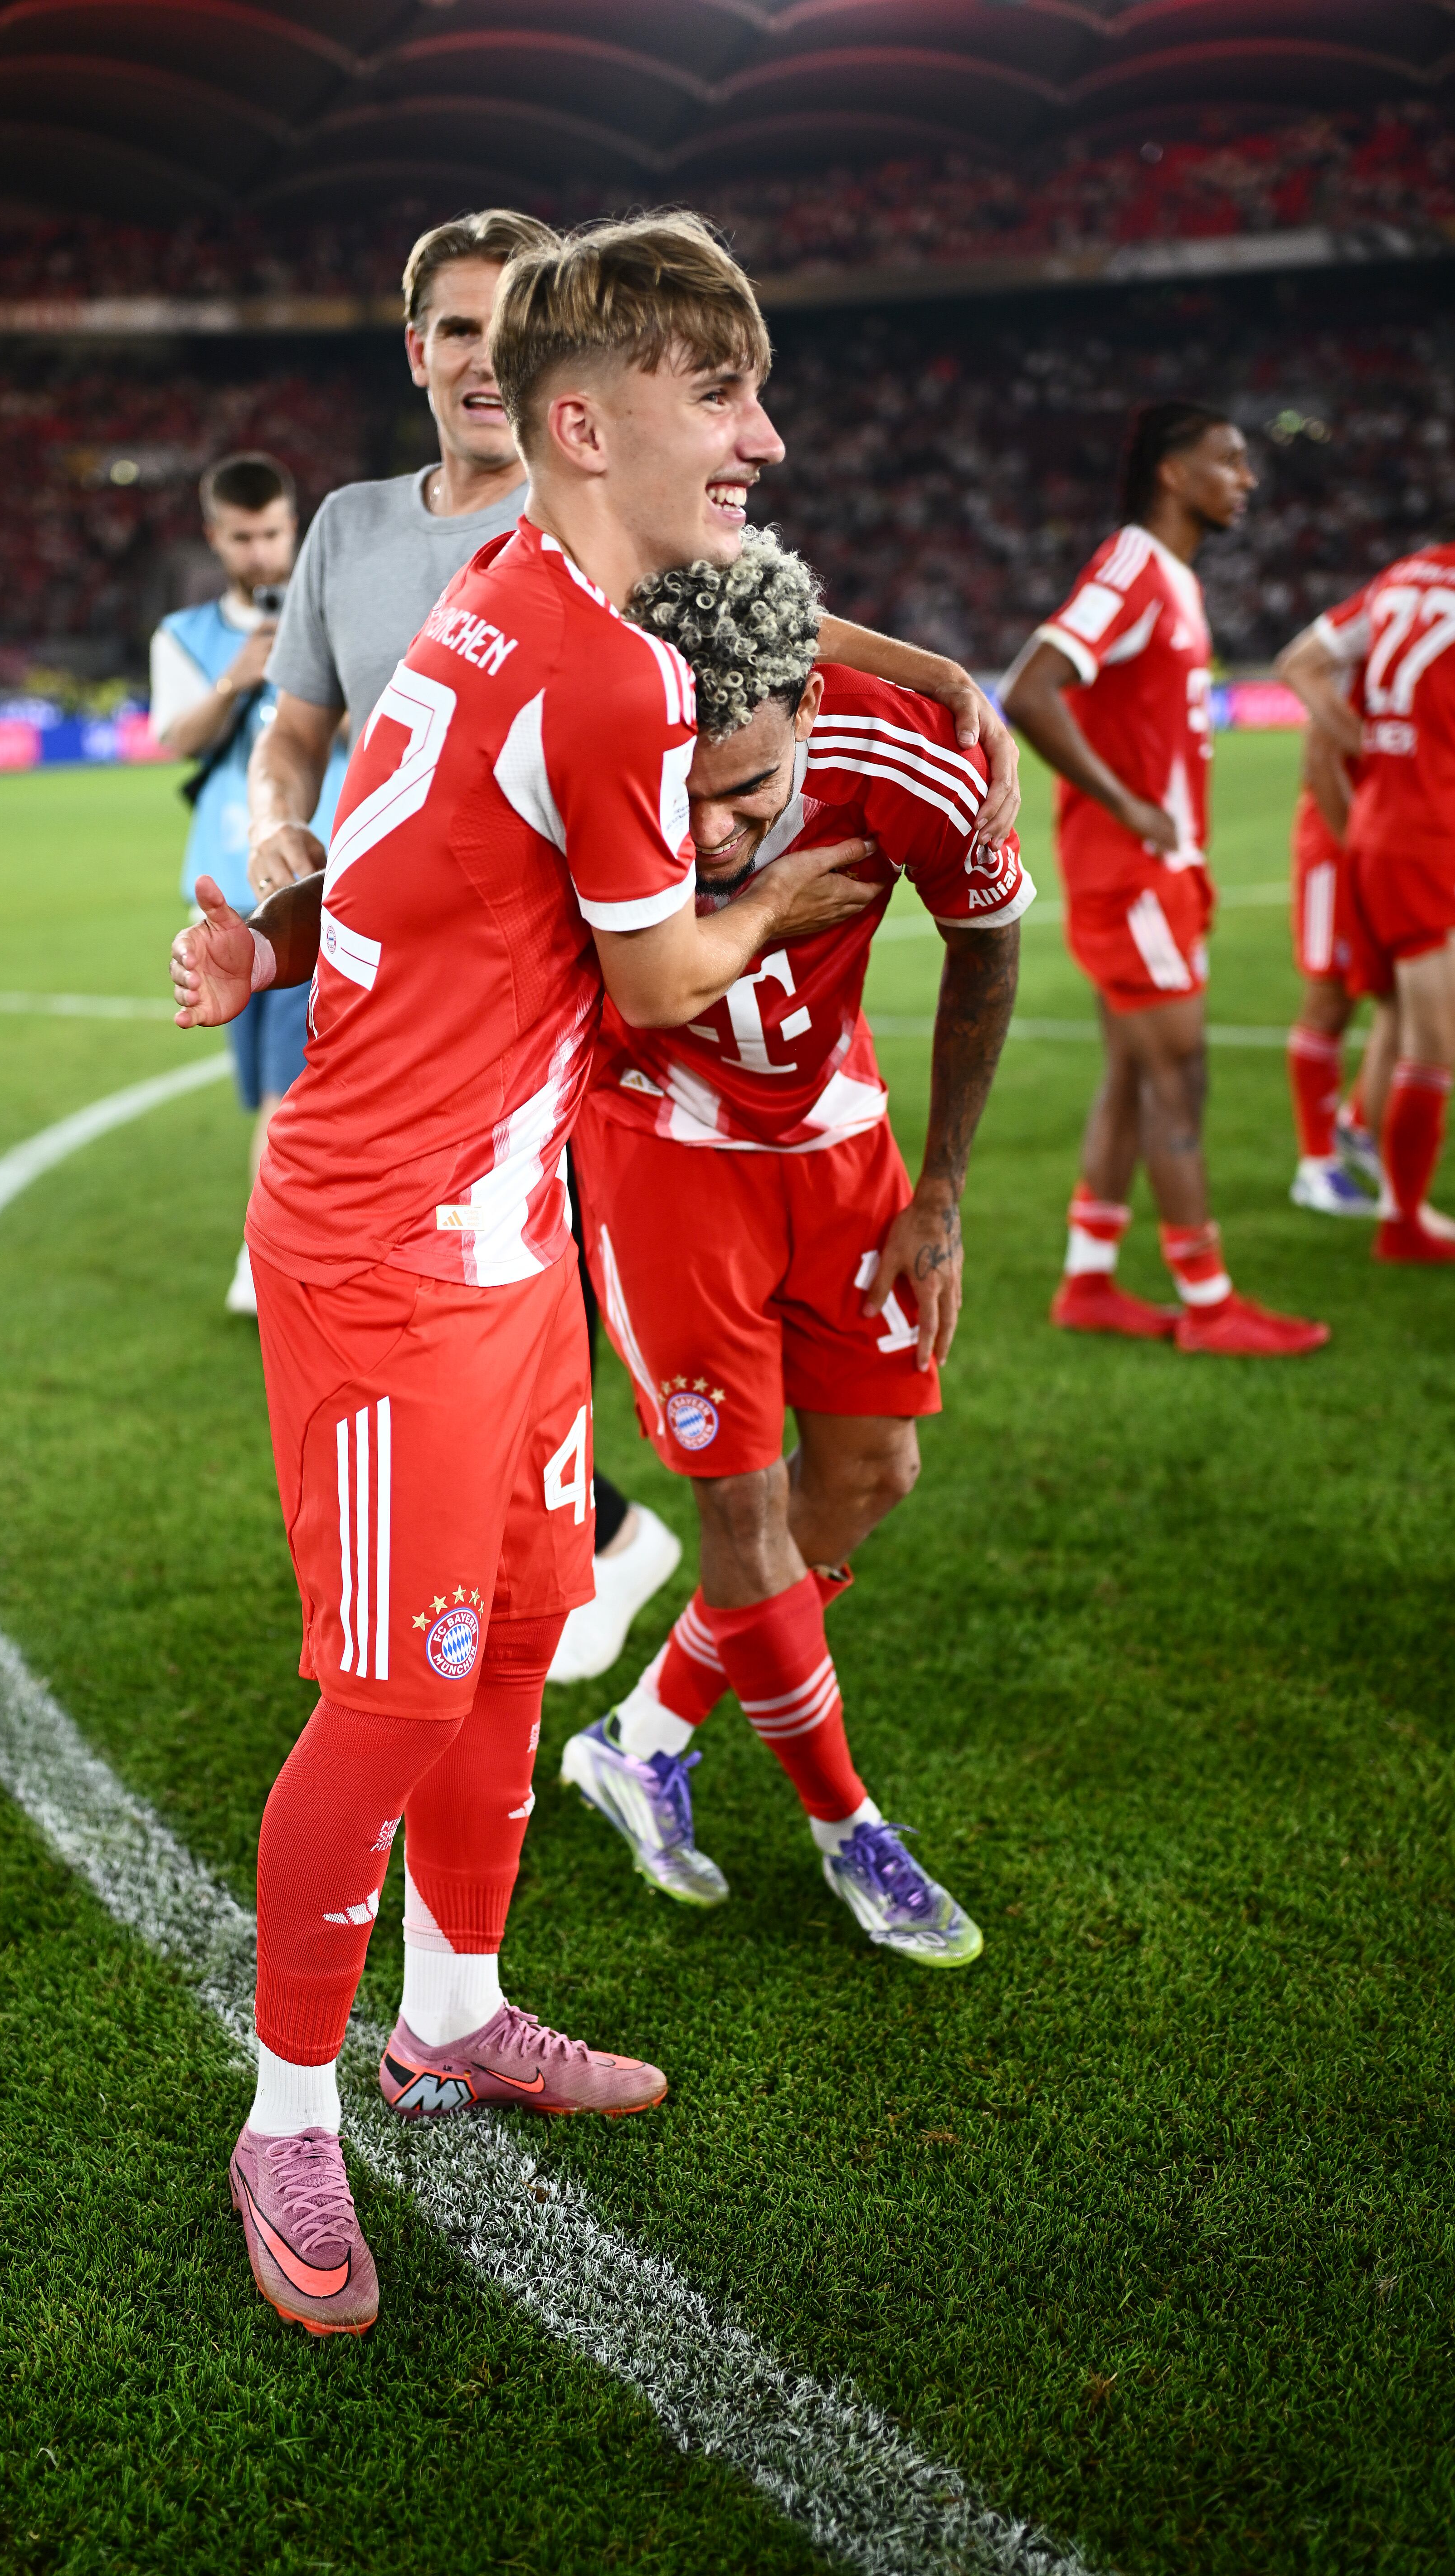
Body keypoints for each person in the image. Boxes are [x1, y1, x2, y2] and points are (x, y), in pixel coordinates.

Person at [170, 213, 899, 2336]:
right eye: (722, 398)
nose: (760, 434)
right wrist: (781, 900)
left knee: (502, 1653)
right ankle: (285, 2104)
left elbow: (403, 869)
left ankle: (455, 2008)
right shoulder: (590, 660)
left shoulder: (518, 598)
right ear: (586, 425)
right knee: (392, 1686)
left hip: (498, 1227)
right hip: (391, 1244)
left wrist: (282, 946)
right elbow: (661, 970)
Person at [246, 205, 1025, 1688]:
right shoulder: (364, 535)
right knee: (512, 1400)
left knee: (568, 1375)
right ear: (424, 357)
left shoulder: (608, 529)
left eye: (505, 322)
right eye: (455, 329)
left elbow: (749, 604)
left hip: (589, 1032)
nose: (481, 356)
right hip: (477, 1022)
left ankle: (568, 1604)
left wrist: (911, 663)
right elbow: (305, 737)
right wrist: (281, 868)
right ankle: (536, 1620)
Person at [558, 534, 1027, 1966]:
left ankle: (637, 1739)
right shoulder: (591, 735)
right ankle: (848, 1830)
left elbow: (988, 939)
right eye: (678, 796)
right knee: (746, 1517)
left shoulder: (913, 758)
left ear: (813, 712)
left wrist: (940, 1188)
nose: (701, 833)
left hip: (837, 1143)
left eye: (744, 793)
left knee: (874, 1472)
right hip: (658, 1159)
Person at [1003, 401, 1328, 1357]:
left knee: (1132, 1073)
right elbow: (1030, 685)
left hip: (1162, 869)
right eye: (1228, 460)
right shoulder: (1134, 565)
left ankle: (1088, 1278)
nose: (1247, 478)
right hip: (1132, 873)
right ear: (1172, 474)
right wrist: (1122, 803)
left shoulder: (1171, 578)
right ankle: (1208, 1298)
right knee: (1178, 1074)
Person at [149, 451, 339, 1316]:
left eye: (273, 534)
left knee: (287, 1087)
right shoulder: (186, 635)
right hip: (227, 889)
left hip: (322, 888)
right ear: (214, 537)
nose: (262, 553)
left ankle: (263, 1252)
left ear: (293, 526)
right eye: (244, 537)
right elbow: (173, 738)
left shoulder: (331, 613)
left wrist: (307, 680)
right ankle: (293, 1241)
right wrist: (241, 674)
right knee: (271, 1087)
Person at [1276, 519, 1455, 1261]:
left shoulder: (1403, 579)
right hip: (1397, 829)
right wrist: (1370, 752)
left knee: (1393, 1008)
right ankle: (1383, 1204)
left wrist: (1377, 752)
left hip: (1389, 822)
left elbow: (1300, 662)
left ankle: (1363, 1139)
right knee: (1403, 1024)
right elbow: (1316, 723)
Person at [1273, 616, 1398, 1215]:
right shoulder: (1355, 661)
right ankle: (1316, 1165)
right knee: (1330, 999)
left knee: (1400, 992)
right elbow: (1321, 760)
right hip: (1336, 846)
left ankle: (1357, 1126)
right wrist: (1361, 853)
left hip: (1379, 844)